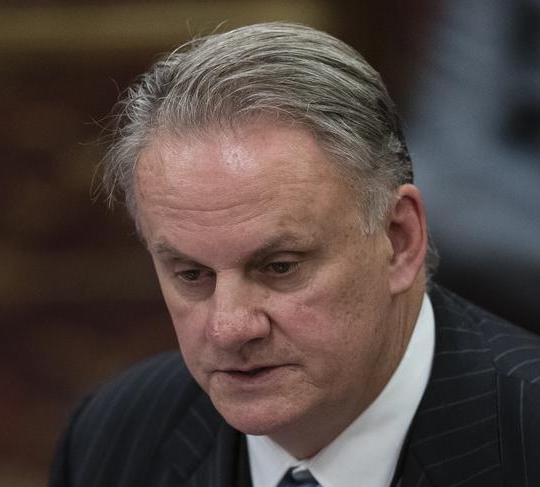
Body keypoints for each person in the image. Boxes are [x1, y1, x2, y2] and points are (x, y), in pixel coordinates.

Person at [49, 23, 540, 487]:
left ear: (399, 239)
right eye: (192, 274)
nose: (229, 328)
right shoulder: (112, 439)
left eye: (280, 267)